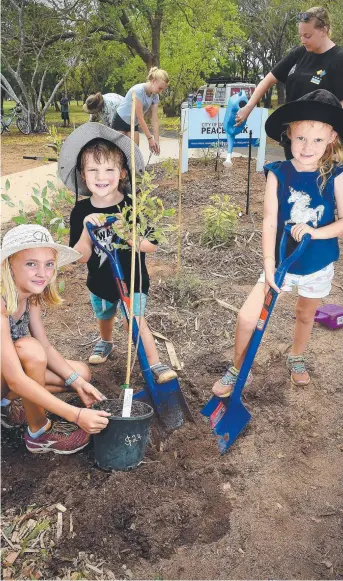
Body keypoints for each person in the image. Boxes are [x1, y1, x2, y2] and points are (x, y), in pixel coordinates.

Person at [212, 89, 343, 395]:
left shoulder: (336, 175)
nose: (308, 147)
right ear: (289, 135)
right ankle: (238, 366)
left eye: (318, 140)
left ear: (332, 139)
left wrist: (314, 232)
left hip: (317, 263)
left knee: (305, 313)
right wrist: (268, 265)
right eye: (301, 138)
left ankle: (296, 355)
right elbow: (270, 221)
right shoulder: (278, 173)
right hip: (280, 261)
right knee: (248, 317)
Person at [58, 122, 177, 384]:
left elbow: (152, 244)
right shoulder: (80, 212)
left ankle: (154, 363)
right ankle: (105, 341)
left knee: (133, 320)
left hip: (132, 281)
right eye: (93, 169)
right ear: (83, 174)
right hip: (100, 281)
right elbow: (81, 255)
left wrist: (129, 234)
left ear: (123, 172)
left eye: (109, 169)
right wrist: (87, 229)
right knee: (105, 314)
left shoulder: (133, 206)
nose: (102, 176)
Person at [1, 224, 111, 454]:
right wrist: (77, 415)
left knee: (81, 373)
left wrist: (78, 383)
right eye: (31, 263)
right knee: (30, 349)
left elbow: (47, 347)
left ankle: (5, 407)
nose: (43, 273)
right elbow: (16, 380)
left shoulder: (30, 298)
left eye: (49, 264)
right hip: (9, 378)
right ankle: (39, 434)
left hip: (8, 377)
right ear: (9, 264)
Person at [235, 6, 343, 159]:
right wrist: (248, 107)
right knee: (292, 178)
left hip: (320, 144)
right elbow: (268, 80)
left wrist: (334, 143)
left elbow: (340, 107)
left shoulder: (339, 59)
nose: (303, 40)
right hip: (293, 135)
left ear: (323, 30)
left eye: (307, 35)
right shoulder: (299, 54)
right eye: (301, 36)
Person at [112, 67, 169, 155]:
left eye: (162, 89)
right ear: (153, 81)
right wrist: (150, 139)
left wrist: (156, 141)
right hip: (120, 120)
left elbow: (155, 120)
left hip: (133, 123)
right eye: (160, 88)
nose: (160, 92)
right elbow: (140, 117)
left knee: (134, 153)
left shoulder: (155, 96)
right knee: (119, 153)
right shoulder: (138, 91)